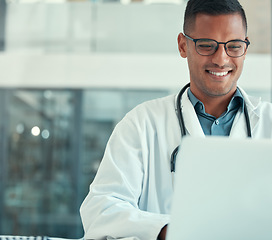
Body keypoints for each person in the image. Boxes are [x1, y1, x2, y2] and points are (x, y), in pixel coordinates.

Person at [80, 0, 272, 239]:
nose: (221, 59)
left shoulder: (268, 121)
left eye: (233, 46)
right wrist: (168, 230)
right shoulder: (141, 124)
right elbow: (101, 210)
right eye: (206, 45)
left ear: (245, 47)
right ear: (183, 45)